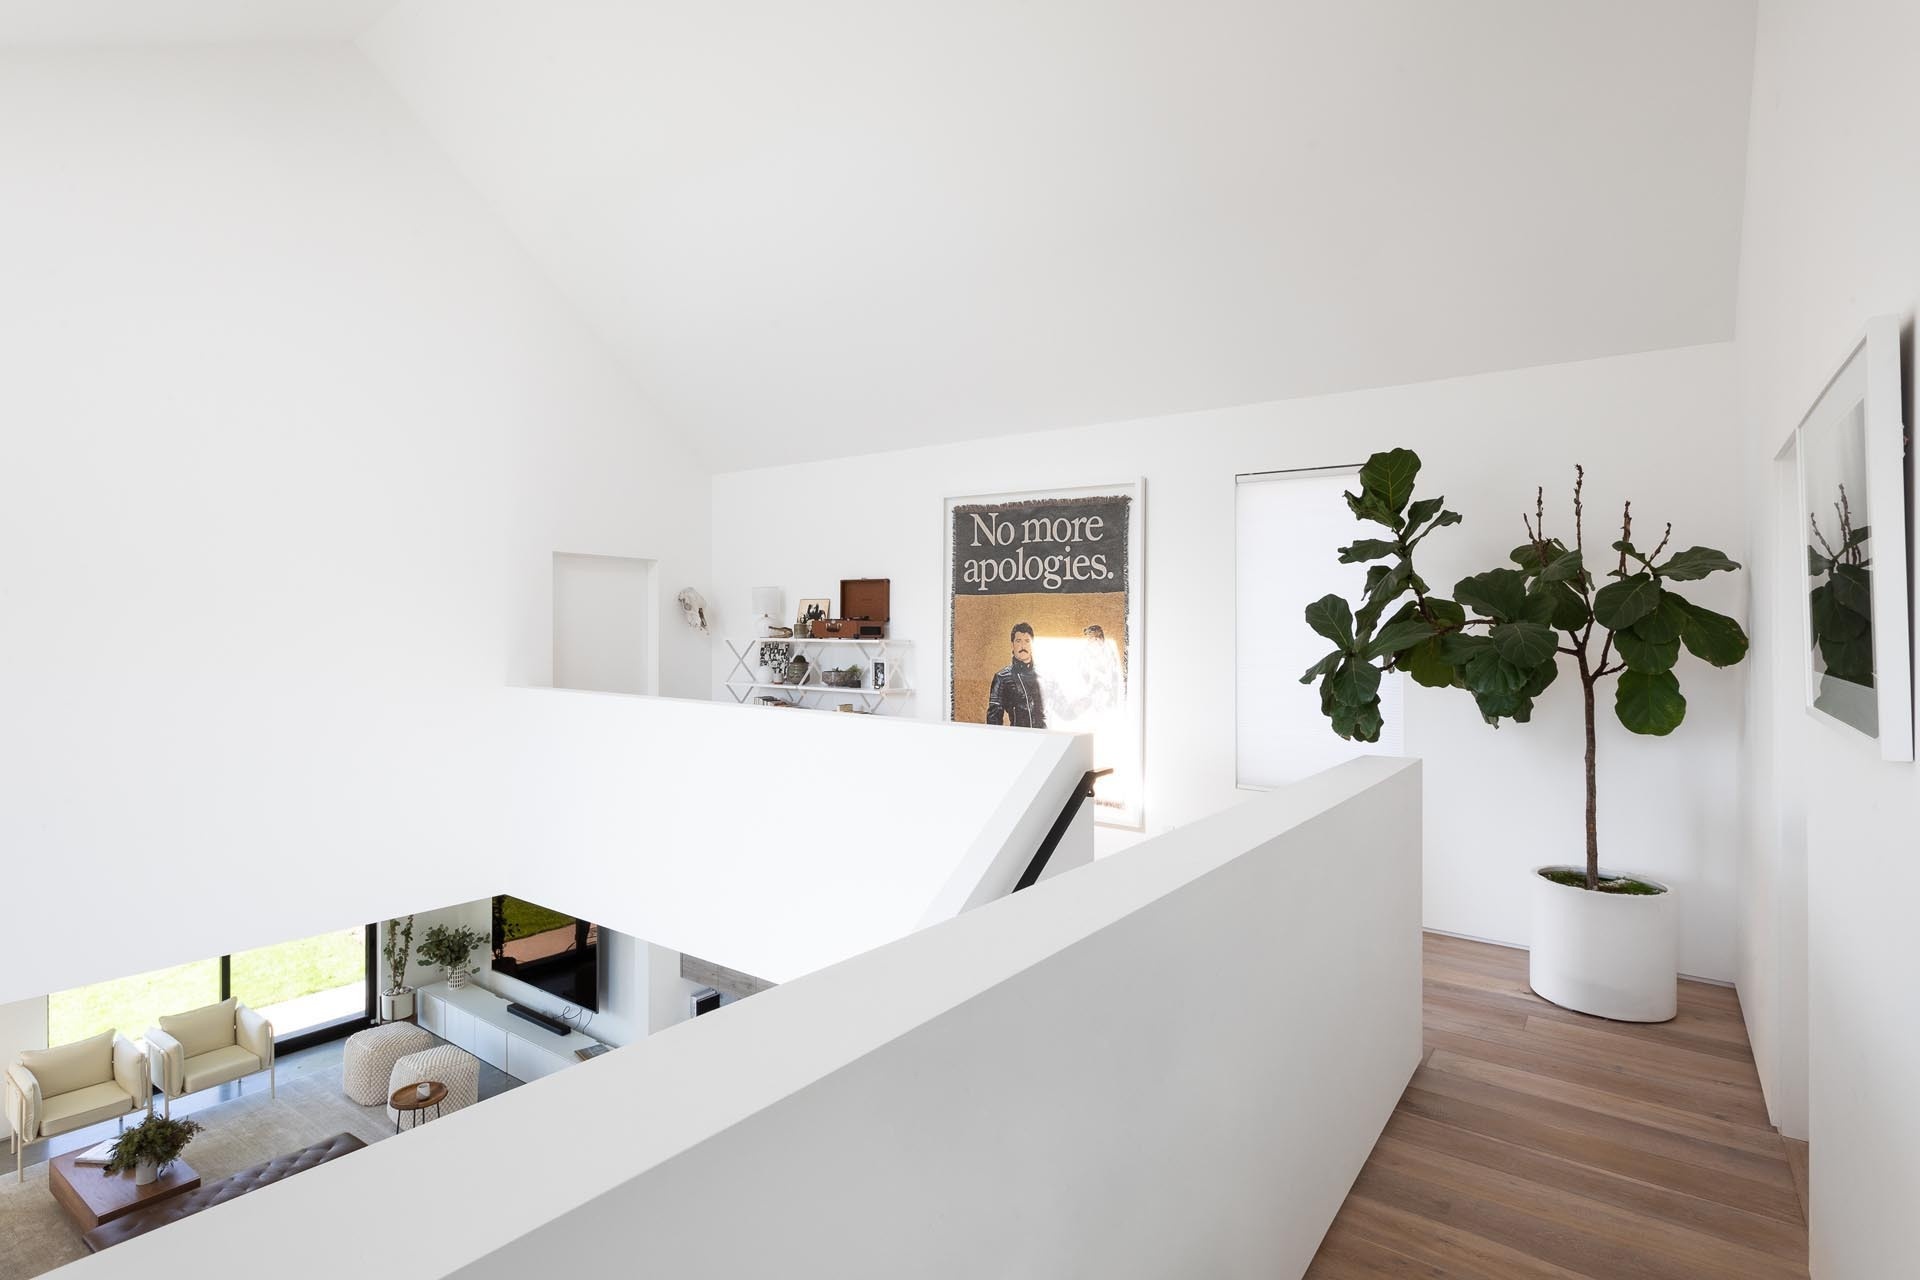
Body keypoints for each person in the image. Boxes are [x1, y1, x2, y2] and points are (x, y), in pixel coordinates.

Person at [986, 622, 1047, 728]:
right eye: (1018, 641)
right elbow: (993, 721)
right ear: (1012, 644)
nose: (1023, 646)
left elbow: (1061, 710)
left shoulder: (1044, 675)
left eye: (1027, 641)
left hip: (1047, 739)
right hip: (1018, 739)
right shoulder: (1002, 677)